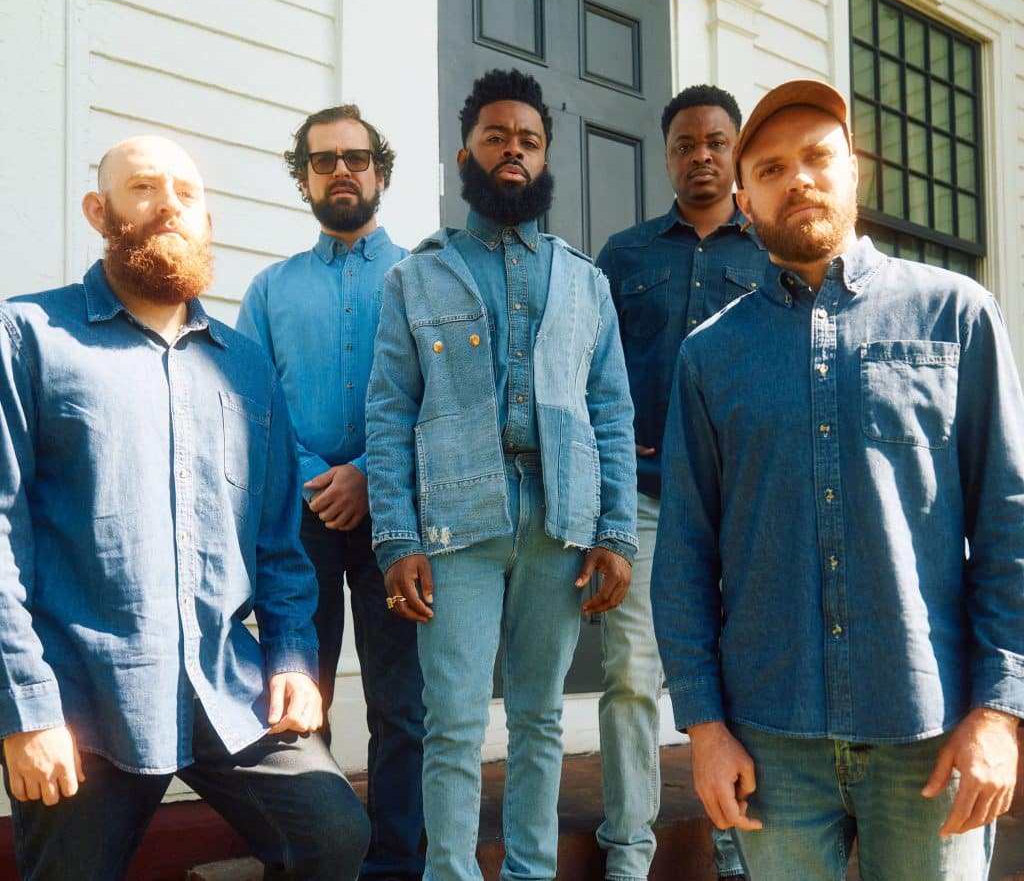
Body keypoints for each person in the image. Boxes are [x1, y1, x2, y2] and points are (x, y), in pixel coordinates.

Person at [651, 79, 1024, 880]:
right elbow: (683, 550)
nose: (801, 179)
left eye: (819, 157)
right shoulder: (709, 357)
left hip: (930, 727)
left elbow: (1010, 521)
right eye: (774, 167)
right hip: (769, 743)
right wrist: (705, 727)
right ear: (746, 198)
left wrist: (1000, 709)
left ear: (855, 171)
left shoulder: (956, 316)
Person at [0, 135, 370, 881]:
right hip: (84, 696)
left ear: (208, 221)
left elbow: (277, 541)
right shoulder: (27, 336)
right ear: (98, 211)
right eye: (143, 187)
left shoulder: (246, 366)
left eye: (187, 192)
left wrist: (293, 653)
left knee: (333, 837)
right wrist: (27, 709)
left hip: (223, 685)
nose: (169, 202)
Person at [365, 69, 638, 881]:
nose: (513, 150)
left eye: (529, 140)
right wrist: (396, 538)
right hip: (456, 524)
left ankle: (528, 872)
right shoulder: (417, 277)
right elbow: (387, 415)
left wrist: (615, 531)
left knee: (540, 717)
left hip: (561, 523)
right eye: (497, 137)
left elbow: (612, 411)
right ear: (466, 155)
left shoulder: (586, 281)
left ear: (544, 156)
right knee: (451, 721)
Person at [237, 104, 424, 881]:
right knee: (295, 696)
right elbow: (249, 397)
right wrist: (324, 476)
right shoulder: (270, 289)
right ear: (304, 177)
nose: (341, 170)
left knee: (399, 702)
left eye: (356, 157)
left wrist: (373, 479)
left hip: (399, 521)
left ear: (379, 170)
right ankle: (308, 854)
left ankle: (391, 864)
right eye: (323, 161)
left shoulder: (424, 277)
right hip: (300, 519)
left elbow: (443, 402)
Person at [595, 84, 769, 881]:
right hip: (644, 495)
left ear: (735, 151)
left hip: (743, 501)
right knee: (630, 674)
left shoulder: (768, 251)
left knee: (741, 675)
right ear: (666, 155)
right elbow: (592, 379)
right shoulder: (623, 258)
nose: (701, 155)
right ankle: (628, 852)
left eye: (716, 141)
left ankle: (739, 847)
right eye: (685, 143)